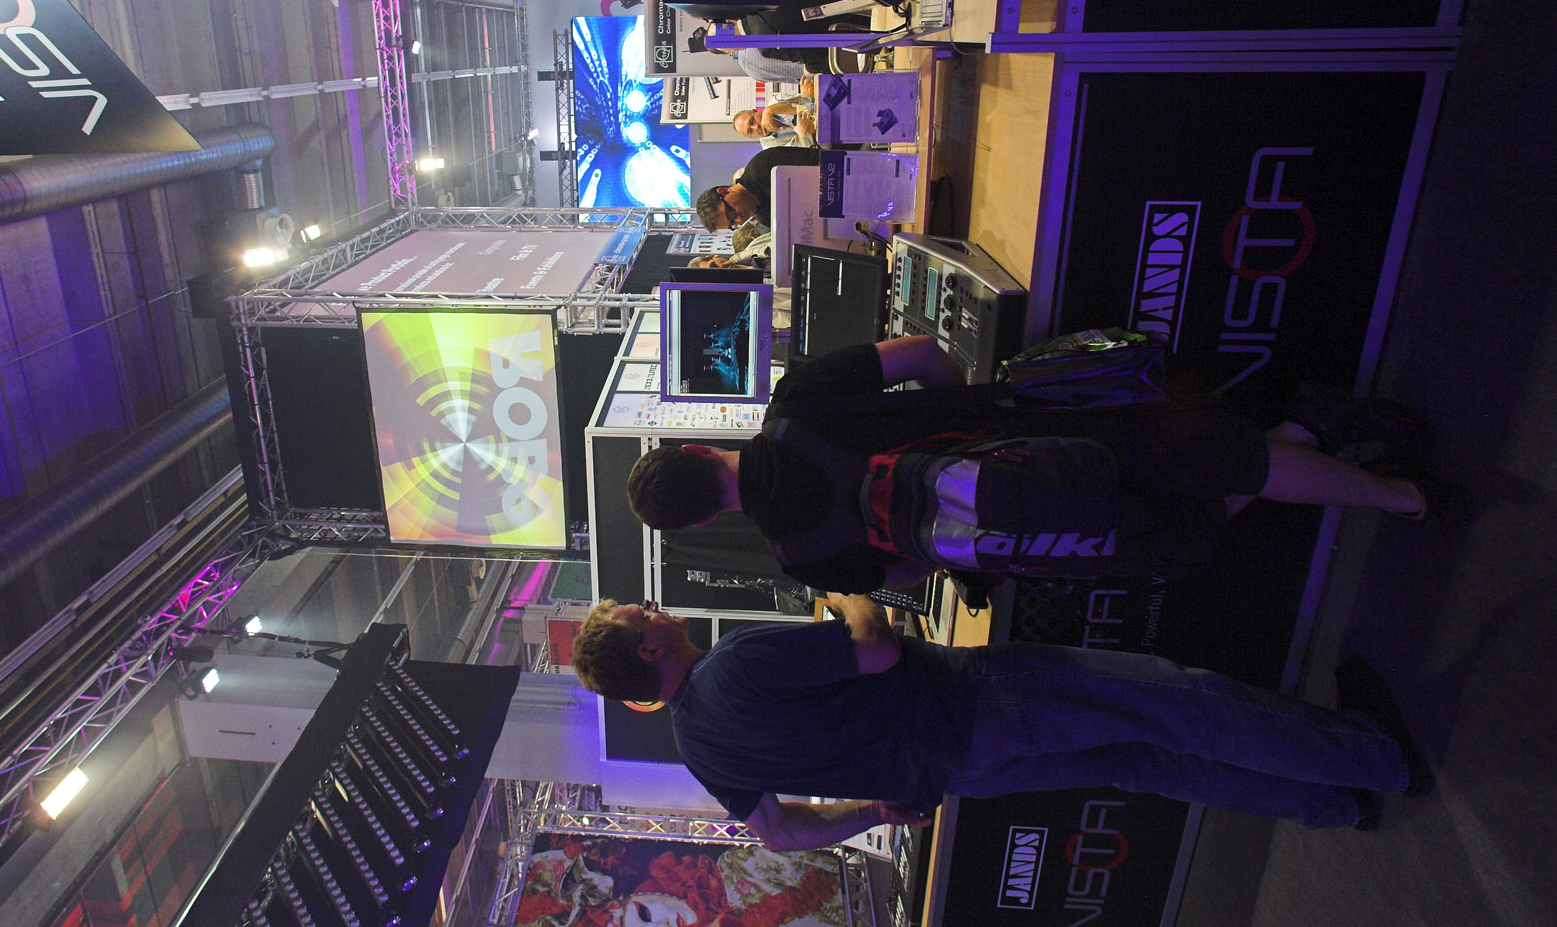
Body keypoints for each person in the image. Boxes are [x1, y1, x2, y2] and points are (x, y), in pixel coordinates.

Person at [570, 593, 1432, 844]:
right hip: (979, 703)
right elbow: (875, 651)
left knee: (1150, 761)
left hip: (963, 772)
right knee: (1173, 702)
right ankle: (1374, 760)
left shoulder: (698, 746)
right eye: (642, 615)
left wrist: (872, 811)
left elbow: (780, 833)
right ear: (649, 647)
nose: (655, 609)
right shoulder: (733, 664)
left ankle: (1333, 803)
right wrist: (851, 598)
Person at [627, 336, 1454, 594]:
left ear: (705, 518)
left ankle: (1330, 439)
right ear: (697, 446)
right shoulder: (797, 402)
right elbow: (922, 352)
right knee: (1222, 462)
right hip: (1046, 435)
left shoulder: (802, 560)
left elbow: (911, 569)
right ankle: (1395, 490)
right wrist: (968, 414)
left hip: (1032, 529)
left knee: (1182, 526)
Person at [693, 146, 821, 232]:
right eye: (733, 224)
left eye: (731, 212)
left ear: (724, 191)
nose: (739, 219)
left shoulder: (762, 166)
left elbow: (823, 163)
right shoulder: (765, 217)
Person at [733, 94, 817, 147]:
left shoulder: (775, 101)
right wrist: (804, 134)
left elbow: (811, 100)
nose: (756, 127)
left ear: (755, 111)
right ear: (752, 137)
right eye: (750, 131)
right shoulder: (770, 148)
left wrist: (773, 109)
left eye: (752, 121)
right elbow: (808, 150)